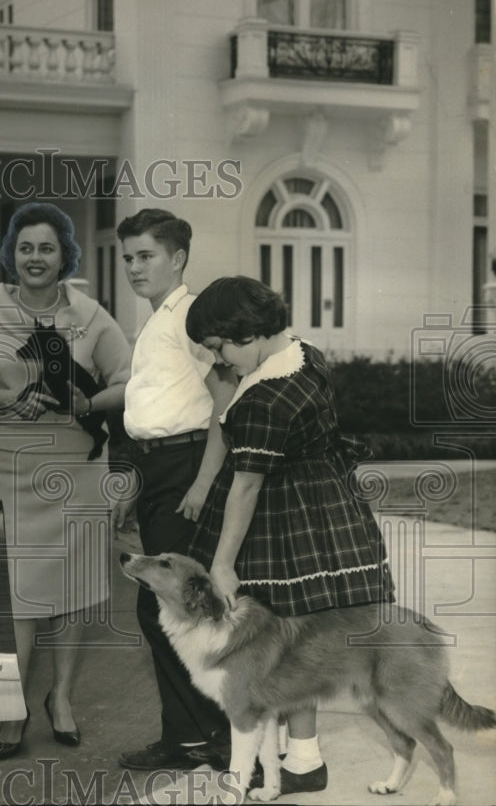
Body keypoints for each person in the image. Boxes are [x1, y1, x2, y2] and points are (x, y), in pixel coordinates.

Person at [185, 275, 395, 794]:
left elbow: (247, 484)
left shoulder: (266, 399)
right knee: (290, 638)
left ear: (246, 333)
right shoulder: (304, 353)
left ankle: (299, 759)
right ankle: (294, 756)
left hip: (284, 519)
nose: (220, 361)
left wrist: (222, 563)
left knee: (279, 636)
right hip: (320, 501)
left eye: (219, 347)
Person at [0, 202, 131, 759]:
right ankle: (13, 706)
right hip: (13, 470)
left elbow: (129, 381)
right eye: (26, 248)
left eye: (47, 248)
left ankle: (61, 699)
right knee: (22, 596)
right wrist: (4, 398)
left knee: (74, 593)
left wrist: (89, 400)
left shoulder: (92, 315)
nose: (35, 258)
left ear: (64, 255)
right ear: (12, 254)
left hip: (78, 470)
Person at [110, 209, 236, 771]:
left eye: (146, 256)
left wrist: (204, 480)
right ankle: (191, 736)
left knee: (172, 606)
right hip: (158, 468)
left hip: (187, 467)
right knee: (164, 609)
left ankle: (207, 736)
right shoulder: (159, 318)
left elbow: (228, 394)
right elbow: (149, 413)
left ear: (177, 258)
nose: (135, 267)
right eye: (128, 257)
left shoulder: (188, 316)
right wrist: (136, 483)